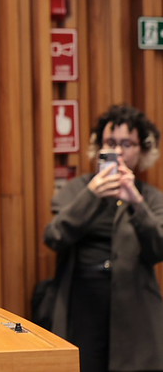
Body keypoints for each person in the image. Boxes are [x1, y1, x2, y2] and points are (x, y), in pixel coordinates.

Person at [44, 104, 163, 372]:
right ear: (98, 147)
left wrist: (136, 203)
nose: (118, 152)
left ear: (142, 150)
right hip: (81, 305)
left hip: (134, 309)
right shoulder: (77, 189)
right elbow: (54, 237)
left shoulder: (150, 196)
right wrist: (91, 195)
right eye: (110, 143)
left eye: (127, 144)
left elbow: (158, 249)